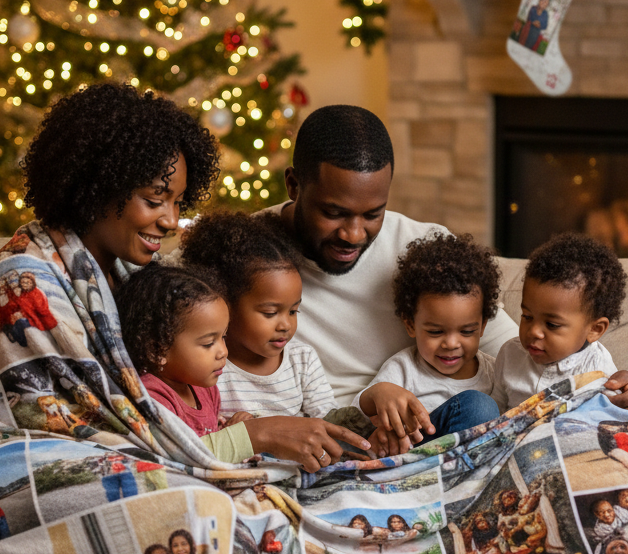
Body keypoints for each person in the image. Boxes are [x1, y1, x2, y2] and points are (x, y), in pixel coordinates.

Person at [19, 82, 368, 472]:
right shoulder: (26, 280)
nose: (171, 221)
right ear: (96, 187)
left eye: (178, 202)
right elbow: (82, 441)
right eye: (155, 200)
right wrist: (254, 436)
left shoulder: (133, 273)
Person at [263, 105, 628, 414]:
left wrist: (618, 395)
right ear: (294, 185)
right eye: (333, 213)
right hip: (325, 434)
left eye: (372, 214)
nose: (354, 234)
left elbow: (519, 353)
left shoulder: (422, 247)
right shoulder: (253, 256)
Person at [176, 210, 335, 420]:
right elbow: (201, 429)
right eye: (270, 313)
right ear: (225, 306)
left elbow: (331, 421)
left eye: (293, 311)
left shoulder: (302, 360)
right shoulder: (209, 371)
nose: (286, 325)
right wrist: (232, 430)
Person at [355, 231, 501, 455]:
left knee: (482, 407)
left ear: (482, 327)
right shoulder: (406, 367)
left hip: (477, 457)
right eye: (435, 332)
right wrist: (379, 393)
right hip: (415, 454)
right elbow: (356, 415)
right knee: (479, 406)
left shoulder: (495, 372)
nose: (451, 344)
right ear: (411, 325)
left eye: (467, 331)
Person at [114, 263, 253, 455]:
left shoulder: (206, 389)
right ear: (157, 350)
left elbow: (211, 437)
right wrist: (236, 438)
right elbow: (182, 456)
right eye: (208, 343)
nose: (223, 352)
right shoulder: (153, 398)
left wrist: (229, 428)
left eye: (223, 337)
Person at [492, 232, 627, 411]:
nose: (533, 331)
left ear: (595, 329)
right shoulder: (509, 354)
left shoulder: (599, 371)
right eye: (527, 316)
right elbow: (496, 410)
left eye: (552, 325)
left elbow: (606, 420)